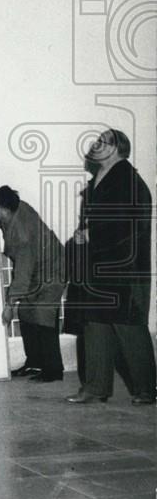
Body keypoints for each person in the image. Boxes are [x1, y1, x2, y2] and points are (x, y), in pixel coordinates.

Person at [66, 129, 155, 405]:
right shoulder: (100, 180)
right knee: (95, 323)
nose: (95, 144)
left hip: (123, 268)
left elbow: (127, 224)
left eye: (102, 141)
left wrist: (93, 234)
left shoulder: (128, 180)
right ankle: (95, 387)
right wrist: (84, 234)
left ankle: (147, 389)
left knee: (127, 325)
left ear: (117, 148)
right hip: (100, 265)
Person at [0, 186, 65, 382]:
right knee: (26, 312)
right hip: (37, 270)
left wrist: (9, 306)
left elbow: (22, 274)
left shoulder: (22, 233)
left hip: (53, 270)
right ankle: (35, 363)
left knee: (43, 314)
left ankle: (53, 370)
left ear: (1, 207)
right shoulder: (16, 209)